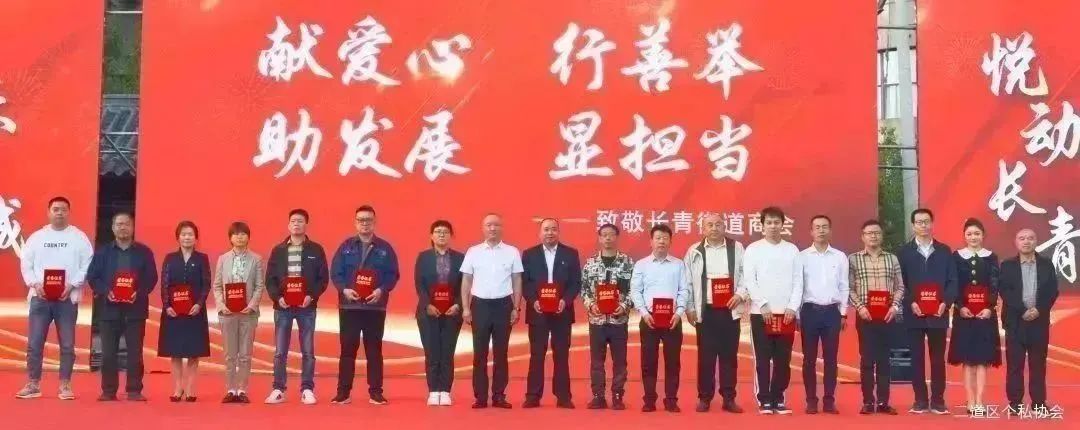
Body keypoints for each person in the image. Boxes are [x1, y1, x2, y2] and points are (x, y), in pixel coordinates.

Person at [16, 196, 93, 400]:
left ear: (69, 212)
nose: (59, 213)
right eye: (56, 209)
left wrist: (73, 284)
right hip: (40, 298)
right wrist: (35, 283)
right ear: (48, 212)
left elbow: (87, 264)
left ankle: (65, 385)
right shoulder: (37, 238)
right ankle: (33, 383)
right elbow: (26, 264)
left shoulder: (79, 238)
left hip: (67, 299)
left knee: (67, 344)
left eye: (63, 209)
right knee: (35, 342)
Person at [330, 205, 400, 405]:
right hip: (349, 307)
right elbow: (336, 272)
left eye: (368, 220)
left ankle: (376, 392)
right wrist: (344, 289)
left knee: (374, 351)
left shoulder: (385, 249)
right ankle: (343, 392)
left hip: (374, 307)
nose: (364, 223)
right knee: (347, 350)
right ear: (355, 223)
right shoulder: (346, 247)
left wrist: (381, 290)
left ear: (374, 222)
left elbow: (392, 275)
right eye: (361, 220)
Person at [87, 212, 158, 402]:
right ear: (113, 228)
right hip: (109, 310)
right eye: (119, 224)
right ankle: (108, 391)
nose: (123, 227)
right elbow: (93, 277)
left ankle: (134, 390)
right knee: (108, 353)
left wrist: (139, 292)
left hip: (135, 310)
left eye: (126, 224)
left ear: (132, 227)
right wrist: (105, 291)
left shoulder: (144, 252)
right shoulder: (103, 252)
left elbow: (151, 278)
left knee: (135, 353)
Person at [683, 213, 747, 414]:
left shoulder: (737, 248)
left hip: (729, 310)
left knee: (729, 357)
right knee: (706, 357)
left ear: (724, 226)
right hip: (706, 311)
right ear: (703, 228)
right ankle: (704, 397)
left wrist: (740, 294)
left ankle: (729, 398)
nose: (714, 228)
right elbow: (687, 282)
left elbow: (746, 275)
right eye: (709, 225)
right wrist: (690, 308)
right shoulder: (694, 250)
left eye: (718, 224)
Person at [896, 208, 958, 415]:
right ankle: (920, 400)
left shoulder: (944, 251)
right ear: (913, 225)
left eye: (926, 221)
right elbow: (900, 282)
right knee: (916, 358)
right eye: (919, 222)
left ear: (932, 224)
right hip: (913, 312)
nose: (923, 225)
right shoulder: (904, 252)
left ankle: (938, 400)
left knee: (937, 359)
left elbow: (952, 280)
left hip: (938, 312)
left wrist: (945, 303)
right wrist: (910, 302)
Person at [264, 209, 329, 405]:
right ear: (288, 225)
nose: (296, 224)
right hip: (283, 307)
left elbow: (323, 279)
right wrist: (277, 298)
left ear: (306, 225)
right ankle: (278, 389)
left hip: (306, 306)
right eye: (293, 221)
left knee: (308, 351)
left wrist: (311, 296)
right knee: (280, 351)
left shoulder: (316, 250)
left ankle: (307, 389)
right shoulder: (278, 250)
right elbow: (270, 279)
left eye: (300, 221)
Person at [743, 206, 803, 415]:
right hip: (761, 314)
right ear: (762, 226)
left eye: (777, 222)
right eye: (769, 222)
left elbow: (798, 281)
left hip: (786, 314)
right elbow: (750, 280)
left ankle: (778, 398)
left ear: (783, 225)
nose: (773, 226)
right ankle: (764, 399)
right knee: (762, 358)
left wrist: (792, 307)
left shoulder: (792, 250)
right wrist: (762, 304)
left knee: (782, 359)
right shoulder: (753, 249)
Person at [461, 213, 522, 409]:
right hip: (480, 305)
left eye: (496, 225)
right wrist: (465, 307)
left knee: (501, 353)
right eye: (489, 225)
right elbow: (466, 281)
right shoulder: (473, 251)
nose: (492, 228)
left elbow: (517, 280)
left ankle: (499, 395)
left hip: (503, 305)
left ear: (501, 228)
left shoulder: (512, 252)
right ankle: (480, 396)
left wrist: (516, 307)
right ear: (483, 228)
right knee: (479, 353)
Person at [521, 218, 582, 409]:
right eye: (546, 229)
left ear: (558, 232)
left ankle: (563, 396)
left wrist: (565, 300)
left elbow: (575, 283)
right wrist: (534, 301)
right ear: (540, 233)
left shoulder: (570, 254)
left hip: (562, 311)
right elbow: (525, 282)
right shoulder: (529, 254)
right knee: (536, 354)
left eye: (553, 229)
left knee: (561, 355)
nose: (550, 233)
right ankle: (533, 396)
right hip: (537, 311)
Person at [631, 224, 691, 413]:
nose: (661, 241)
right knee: (648, 361)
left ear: (670, 241)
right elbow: (635, 291)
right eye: (658, 238)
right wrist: (644, 313)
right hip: (649, 319)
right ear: (651, 241)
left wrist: (679, 313)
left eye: (665, 238)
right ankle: (649, 400)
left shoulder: (678, 264)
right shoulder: (641, 264)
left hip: (673, 320)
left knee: (673, 362)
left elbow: (684, 290)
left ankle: (671, 399)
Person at [848, 220, 903, 415]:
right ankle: (867, 401)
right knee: (867, 359)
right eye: (869, 233)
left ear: (881, 236)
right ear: (862, 236)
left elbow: (900, 286)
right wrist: (860, 307)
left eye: (877, 233)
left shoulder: (892, 259)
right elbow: (849, 288)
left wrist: (895, 306)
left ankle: (883, 402)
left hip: (887, 316)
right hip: (865, 316)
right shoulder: (853, 259)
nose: (873, 236)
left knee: (884, 360)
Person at [947, 218, 1002, 414]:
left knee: (982, 360)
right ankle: (970, 400)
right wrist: (960, 306)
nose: (973, 237)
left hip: (985, 315)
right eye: (969, 234)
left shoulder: (991, 257)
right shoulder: (956, 256)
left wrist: (990, 307)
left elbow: (995, 284)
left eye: (977, 233)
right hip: (964, 315)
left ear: (983, 235)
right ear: (964, 236)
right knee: (968, 360)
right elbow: (953, 283)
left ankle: (980, 400)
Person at [1000, 228, 1058, 414]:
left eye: (1030, 238)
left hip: (1039, 322)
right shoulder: (1007, 265)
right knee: (1015, 365)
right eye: (1022, 238)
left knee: (1038, 365)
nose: (1026, 241)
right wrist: (1023, 311)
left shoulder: (1046, 264)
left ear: (1036, 241)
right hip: (1015, 322)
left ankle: (1038, 403)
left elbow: (1052, 291)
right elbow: (1005, 291)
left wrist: (1039, 310)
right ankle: (1015, 403)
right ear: (1016, 242)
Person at [580, 223, 634, 411]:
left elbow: (634, 289)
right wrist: (591, 305)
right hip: (597, 320)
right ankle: (598, 396)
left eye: (611, 235)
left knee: (620, 361)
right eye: (604, 235)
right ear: (599, 238)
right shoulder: (590, 263)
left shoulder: (627, 262)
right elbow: (584, 290)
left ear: (617, 237)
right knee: (597, 361)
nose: (608, 238)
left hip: (619, 320)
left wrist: (624, 306)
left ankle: (618, 395)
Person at [798, 215, 848, 414]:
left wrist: (843, 313)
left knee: (831, 359)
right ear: (811, 231)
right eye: (817, 227)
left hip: (832, 312)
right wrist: (798, 314)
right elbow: (798, 286)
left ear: (830, 230)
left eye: (825, 227)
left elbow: (844, 286)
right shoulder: (802, 257)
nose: (821, 230)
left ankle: (829, 400)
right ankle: (811, 400)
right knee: (809, 359)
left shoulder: (840, 256)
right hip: (809, 311)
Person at [158, 221, 211, 402]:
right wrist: (167, 306)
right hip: (173, 312)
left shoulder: (202, 258)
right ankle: (177, 387)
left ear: (196, 238)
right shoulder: (170, 258)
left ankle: (190, 388)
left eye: (190, 234)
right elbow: (164, 284)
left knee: (193, 351)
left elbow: (206, 284)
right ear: (178, 237)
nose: (187, 237)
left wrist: (199, 304)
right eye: (183, 234)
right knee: (175, 351)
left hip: (195, 312)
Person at [213, 221, 265, 404]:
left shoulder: (256, 259)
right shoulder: (223, 259)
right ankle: (230, 389)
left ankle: (242, 389)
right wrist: (221, 305)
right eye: (236, 234)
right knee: (229, 354)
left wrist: (252, 305)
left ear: (248, 237)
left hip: (248, 313)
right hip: (227, 313)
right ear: (230, 238)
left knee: (245, 354)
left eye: (243, 234)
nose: (240, 237)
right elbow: (217, 286)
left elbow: (259, 286)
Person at [414, 220, 464, 406]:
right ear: (431, 236)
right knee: (432, 352)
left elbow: (464, 285)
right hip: (428, 313)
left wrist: (458, 305)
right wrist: (427, 304)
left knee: (447, 353)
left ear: (451, 236)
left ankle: (445, 391)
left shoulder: (460, 258)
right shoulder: (423, 257)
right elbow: (419, 284)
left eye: (445, 232)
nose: (441, 234)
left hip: (452, 312)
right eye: (437, 231)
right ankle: (433, 391)